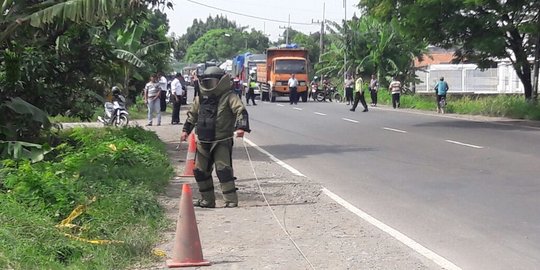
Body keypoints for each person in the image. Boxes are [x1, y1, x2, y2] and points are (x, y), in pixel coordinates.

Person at [180, 66, 250, 208]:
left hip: (221, 140)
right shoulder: (200, 98)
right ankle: (207, 200)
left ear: (221, 81)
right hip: (202, 141)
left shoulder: (230, 96)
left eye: (212, 82)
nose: (209, 85)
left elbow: (240, 111)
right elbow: (192, 115)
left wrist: (241, 127)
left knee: (223, 170)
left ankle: (230, 200)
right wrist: (185, 131)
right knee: (200, 171)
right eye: (207, 82)